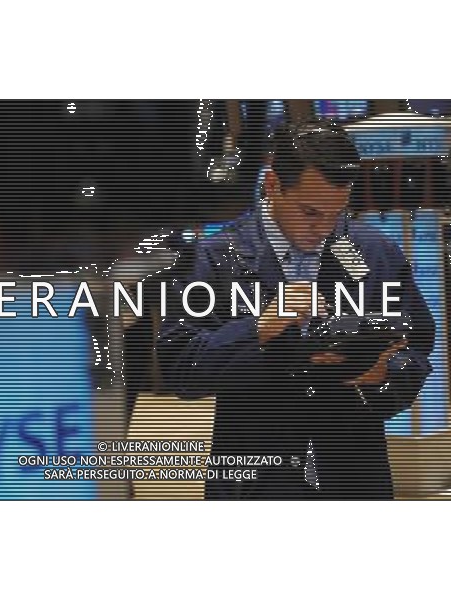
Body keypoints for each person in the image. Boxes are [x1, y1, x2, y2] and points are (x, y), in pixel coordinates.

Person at [157, 118, 436, 500]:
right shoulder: (215, 256)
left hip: (354, 473)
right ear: (272, 185)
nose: (324, 227)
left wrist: (384, 373)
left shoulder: (375, 252)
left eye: (336, 213)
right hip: (255, 477)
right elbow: (178, 365)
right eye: (309, 212)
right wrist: (257, 329)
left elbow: (418, 345)